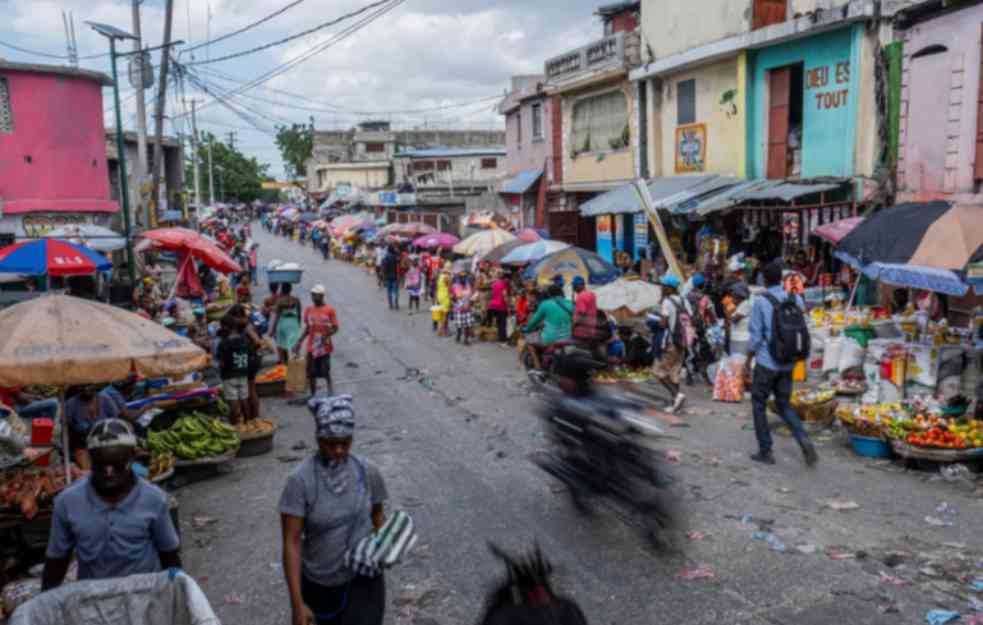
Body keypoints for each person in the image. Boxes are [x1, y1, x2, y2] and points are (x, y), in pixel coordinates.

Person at [280, 395, 388, 625]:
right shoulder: (300, 481)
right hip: (320, 585)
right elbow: (292, 542)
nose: (339, 450)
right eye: (331, 443)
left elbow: (377, 515)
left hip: (364, 582)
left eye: (345, 442)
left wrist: (384, 546)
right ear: (318, 438)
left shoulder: (367, 471)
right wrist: (297, 604)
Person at [42, 419, 181, 590]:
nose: (109, 472)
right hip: (93, 597)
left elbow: (169, 556)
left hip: (145, 595)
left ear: (133, 458)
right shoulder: (67, 502)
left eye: (117, 464)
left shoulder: (154, 499)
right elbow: (57, 561)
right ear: (90, 459)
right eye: (101, 464)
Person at [745, 261, 818, 466]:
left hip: (767, 362)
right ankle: (803, 439)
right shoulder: (794, 297)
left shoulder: (760, 301)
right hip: (788, 362)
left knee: (759, 404)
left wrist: (748, 361)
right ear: (781, 278)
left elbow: (756, 337)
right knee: (784, 404)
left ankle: (765, 450)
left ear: (764, 280)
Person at [293, 285, 339, 398]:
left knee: (324, 369)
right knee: (311, 371)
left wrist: (327, 335)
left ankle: (329, 387)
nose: (313, 297)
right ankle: (313, 394)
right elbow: (308, 328)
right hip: (312, 345)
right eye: (312, 295)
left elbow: (335, 327)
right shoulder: (309, 310)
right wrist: (299, 341)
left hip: (324, 345)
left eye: (316, 295)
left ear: (322, 296)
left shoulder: (330, 310)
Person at [65, 385, 122, 469]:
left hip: (106, 441)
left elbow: (117, 421)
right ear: (78, 387)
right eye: (82, 385)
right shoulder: (71, 404)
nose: (86, 388)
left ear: (95, 386)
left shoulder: (105, 399)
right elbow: (67, 430)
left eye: (89, 385)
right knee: (87, 469)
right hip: (82, 445)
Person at [653, 275, 687, 413]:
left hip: (671, 342)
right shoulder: (684, 301)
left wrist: (655, 320)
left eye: (663, 286)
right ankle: (675, 405)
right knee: (674, 372)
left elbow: (663, 323)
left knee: (658, 370)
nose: (661, 288)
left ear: (669, 288)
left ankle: (677, 395)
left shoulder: (667, 302)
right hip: (683, 342)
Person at [217, 314, 254, 425]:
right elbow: (250, 354)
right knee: (244, 399)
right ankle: (247, 423)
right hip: (243, 373)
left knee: (232, 401)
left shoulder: (224, 343)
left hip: (229, 375)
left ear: (225, 327)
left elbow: (222, 362)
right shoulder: (244, 340)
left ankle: (234, 425)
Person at [523, 283, 574, 348]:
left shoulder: (545, 304)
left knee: (528, 340)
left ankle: (536, 358)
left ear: (549, 294)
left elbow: (533, 321)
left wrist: (527, 329)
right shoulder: (571, 304)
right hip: (567, 339)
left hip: (549, 339)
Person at [273, 283, 303, 365]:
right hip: (293, 323)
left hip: (282, 323)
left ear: (282, 290)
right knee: (294, 345)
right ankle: (297, 365)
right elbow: (299, 314)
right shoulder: (296, 300)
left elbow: (276, 316)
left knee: (281, 346)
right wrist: (298, 325)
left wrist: (273, 329)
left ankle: (283, 367)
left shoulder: (280, 301)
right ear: (291, 289)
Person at [451, 271, 476, 345]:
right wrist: (456, 299)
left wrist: (472, 300)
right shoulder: (455, 286)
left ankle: (466, 339)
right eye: (461, 277)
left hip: (468, 308)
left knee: (467, 325)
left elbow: (472, 295)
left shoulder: (469, 285)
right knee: (459, 324)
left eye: (464, 277)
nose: (463, 278)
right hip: (459, 309)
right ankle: (458, 335)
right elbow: (453, 297)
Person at [488, 270, 511, 346]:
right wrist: (508, 307)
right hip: (501, 306)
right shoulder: (504, 284)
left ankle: (500, 339)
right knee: (502, 324)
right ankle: (503, 341)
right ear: (506, 279)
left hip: (494, 306)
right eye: (508, 279)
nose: (509, 281)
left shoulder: (495, 284)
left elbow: (491, 294)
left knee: (498, 323)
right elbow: (505, 296)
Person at [435, 265, 452, 337]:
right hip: (445, 297)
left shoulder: (440, 276)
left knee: (441, 315)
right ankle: (444, 332)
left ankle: (439, 331)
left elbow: (437, 287)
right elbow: (449, 288)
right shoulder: (447, 277)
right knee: (445, 316)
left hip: (439, 296)